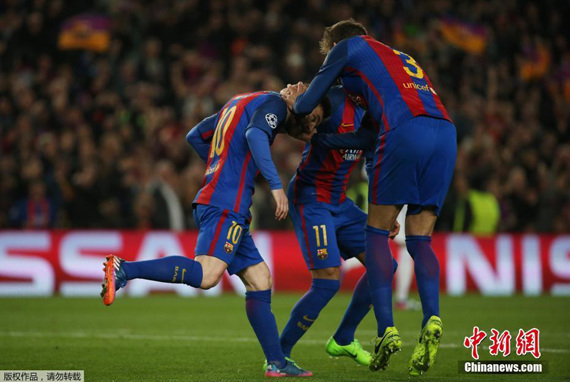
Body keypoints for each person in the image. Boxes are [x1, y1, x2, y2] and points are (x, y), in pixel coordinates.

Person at [101, 90, 325, 377]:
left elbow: (195, 135)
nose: (296, 87)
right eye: (311, 125)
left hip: (224, 200)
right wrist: (276, 186)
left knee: (259, 279)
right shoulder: (276, 105)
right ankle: (124, 269)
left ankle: (276, 363)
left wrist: (225, 167)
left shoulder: (242, 101)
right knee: (207, 275)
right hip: (225, 203)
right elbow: (256, 135)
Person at [287, 19, 457, 376]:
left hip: (404, 130)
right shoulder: (397, 58)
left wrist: (292, 102)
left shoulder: (348, 49)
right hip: (444, 132)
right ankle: (432, 318)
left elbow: (304, 106)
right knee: (420, 239)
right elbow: (365, 137)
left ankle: (386, 331)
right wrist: (321, 141)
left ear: (334, 46)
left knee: (377, 233)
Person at [279, 85, 398, 367]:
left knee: (384, 266)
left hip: (338, 200)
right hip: (311, 197)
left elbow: (373, 164)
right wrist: (290, 100)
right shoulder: (333, 98)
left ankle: (343, 338)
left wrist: (386, 213)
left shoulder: (375, 113)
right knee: (329, 280)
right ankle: (278, 355)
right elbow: (297, 112)